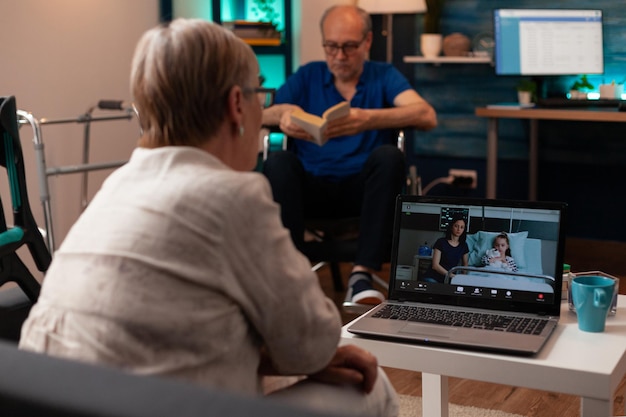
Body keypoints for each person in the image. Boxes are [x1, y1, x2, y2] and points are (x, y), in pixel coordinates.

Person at [18, 18, 398, 417]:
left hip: (43, 398)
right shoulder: (232, 195)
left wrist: (274, 358)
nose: (260, 107)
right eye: (258, 93)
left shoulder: (115, 187)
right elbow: (314, 343)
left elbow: (158, 337)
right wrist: (308, 356)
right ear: (237, 104)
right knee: (371, 386)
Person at [262, 5, 437, 305]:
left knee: (388, 156)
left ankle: (360, 276)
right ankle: (291, 277)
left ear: (367, 42)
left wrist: (367, 119)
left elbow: (426, 114)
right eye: (331, 46)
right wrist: (285, 114)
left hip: (365, 192)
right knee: (277, 162)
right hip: (311, 189)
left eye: (349, 46)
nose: (339, 56)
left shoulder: (383, 75)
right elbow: (263, 114)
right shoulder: (308, 75)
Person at [423, 217, 469, 283]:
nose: (459, 229)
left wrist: (462, 279)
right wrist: (451, 275)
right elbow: (435, 265)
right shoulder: (441, 242)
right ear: (451, 227)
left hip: (450, 279)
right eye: (456, 226)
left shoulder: (464, 245)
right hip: (434, 277)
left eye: (462, 227)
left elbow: (465, 265)